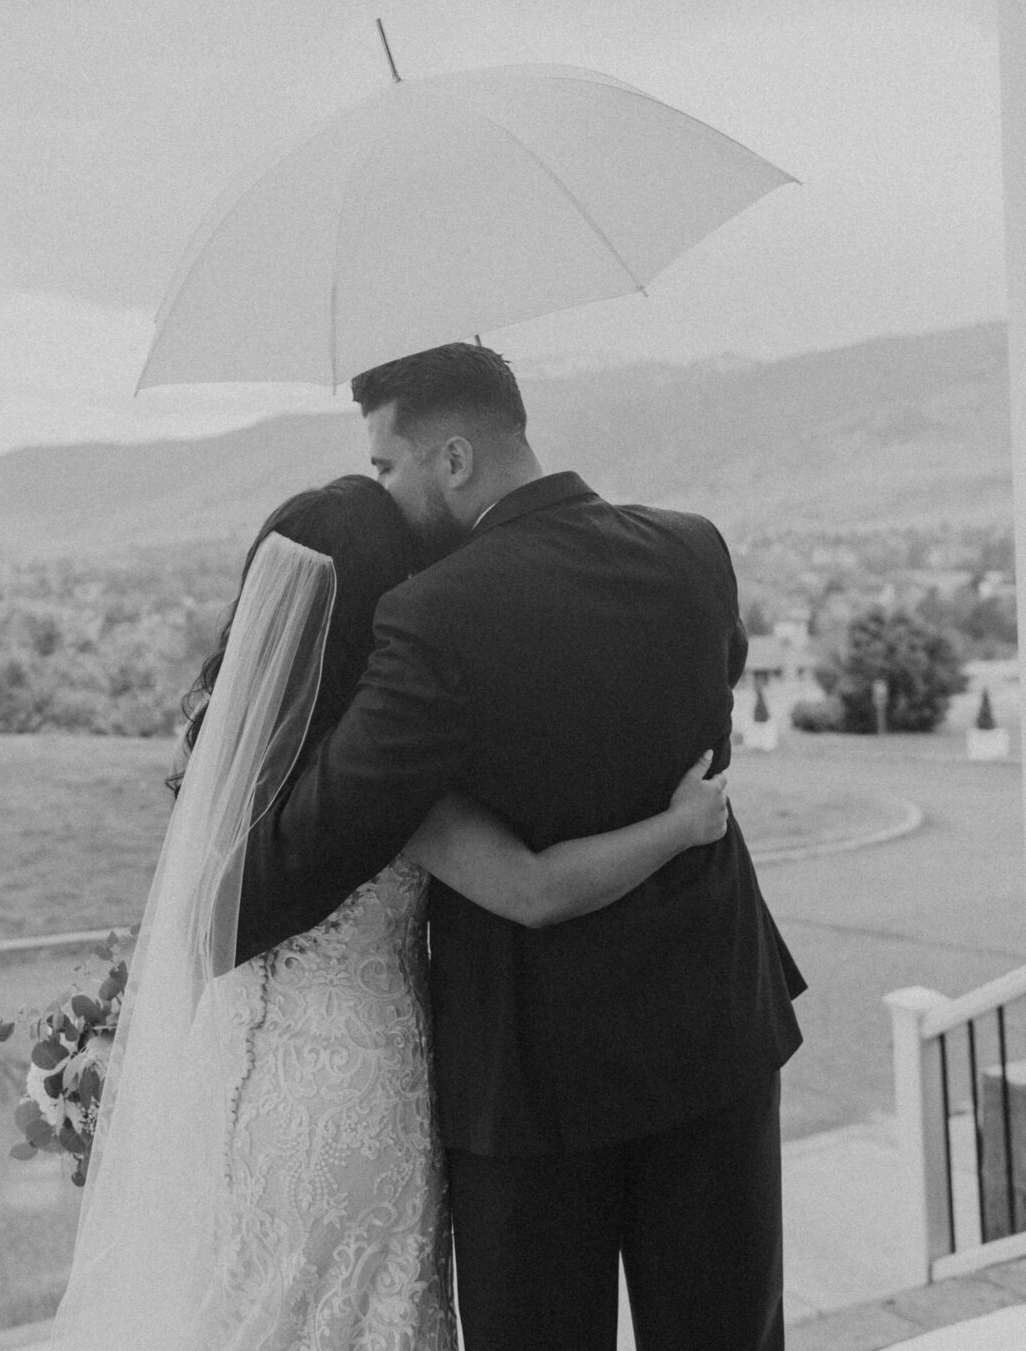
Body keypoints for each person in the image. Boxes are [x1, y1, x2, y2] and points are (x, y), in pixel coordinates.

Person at [47, 472, 730, 1351]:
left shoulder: (238, 763)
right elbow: (533, 889)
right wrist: (680, 827)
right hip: (358, 1102)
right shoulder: (383, 779)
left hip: (250, 1096)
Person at [238, 344, 806, 1351]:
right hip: (711, 1026)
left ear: (452, 459)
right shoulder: (692, 549)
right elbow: (705, 733)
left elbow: (314, 845)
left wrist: (221, 841)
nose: (387, 494)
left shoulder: (432, 618)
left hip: (533, 1084)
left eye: (388, 468)